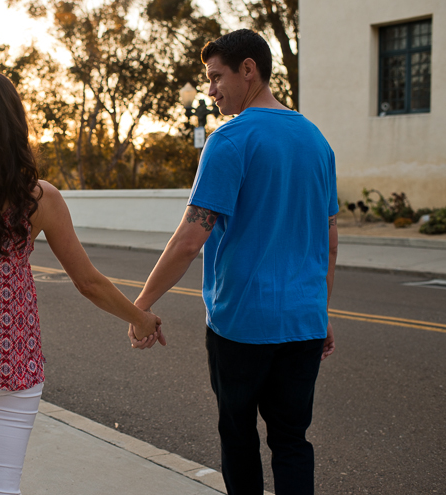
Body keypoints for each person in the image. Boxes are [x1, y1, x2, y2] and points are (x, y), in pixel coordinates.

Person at [0, 70, 162, 495]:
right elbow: (88, 281)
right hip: (12, 362)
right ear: (15, 123)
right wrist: (140, 318)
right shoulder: (40, 198)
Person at [128, 29, 338, 495]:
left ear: (249, 69)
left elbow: (189, 239)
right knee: (291, 440)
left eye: (216, 77)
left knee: (239, 436)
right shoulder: (317, 141)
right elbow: (329, 239)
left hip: (242, 324)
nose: (210, 90)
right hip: (304, 322)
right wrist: (320, 311)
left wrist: (140, 305)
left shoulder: (230, 140)